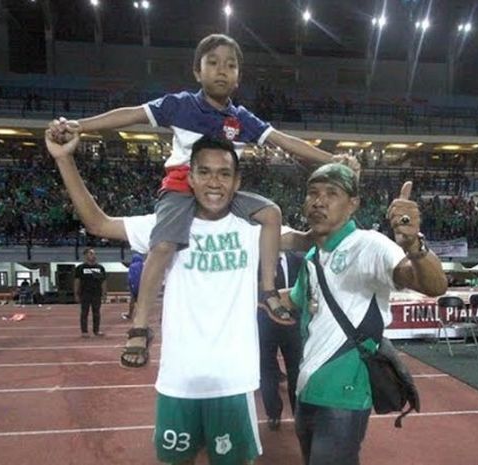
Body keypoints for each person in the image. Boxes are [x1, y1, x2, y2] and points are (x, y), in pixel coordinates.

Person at [49, 33, 338, 363]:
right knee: (162, 245)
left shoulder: (242, 119)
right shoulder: (181, 105)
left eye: (231, 65)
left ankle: (269, 291)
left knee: (271, 212)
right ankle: (140, 325)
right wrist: (79, 126)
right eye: (213, 63)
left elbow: (285, 141)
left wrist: (331, 161)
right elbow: (131, 115)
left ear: (239, 76)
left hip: (225, 193)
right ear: (197, 72)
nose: (222, 70)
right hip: (180, 188)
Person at [46, 128, 299, 464]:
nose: (214, 182)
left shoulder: (252, 230)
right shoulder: (165, 224)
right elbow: (97, 223)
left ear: (237, 182)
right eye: (204, 172)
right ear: (189, 178)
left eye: (224, 174)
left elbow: (305, 239)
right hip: (178, 380)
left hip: (233, 382)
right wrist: (64, 159)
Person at [278, 164, 448, 465]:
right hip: (306, 390)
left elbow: (432, 285)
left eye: (332, 194)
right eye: (313, 193)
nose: (319, 201)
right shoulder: (313, 257)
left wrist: (414, 245)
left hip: (344, 392)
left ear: (353, 204)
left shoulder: (369, 245)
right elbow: (293, 300)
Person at [258, 250, 303, 431]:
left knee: (296, 371)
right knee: (267, 372)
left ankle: (298, 413)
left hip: (292, 325)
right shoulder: (256, 260)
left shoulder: (298, 259)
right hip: (263, 325)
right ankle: (273, 413)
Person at [74, 248, 107, 337]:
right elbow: (77, 281)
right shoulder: (80, 268)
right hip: (85, 293)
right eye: (91, 253)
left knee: (96, 313)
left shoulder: (100, 268)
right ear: (85, 256)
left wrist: (104, 294)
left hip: (96, 294)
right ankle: (84, 331)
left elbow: (103, 281)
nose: (93, 255)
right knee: (84, 313)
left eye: (94, 254)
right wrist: (76, 293)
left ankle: (96, 330)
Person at [122, 253, 144, 320]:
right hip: (143, 286)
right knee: (142, 302)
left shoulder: (132, 266)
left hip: (135, 286)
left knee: (133, 300)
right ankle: (142, 315)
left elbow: (131, 277)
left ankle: (130, 314)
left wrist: (130, 285)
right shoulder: (143, 265)